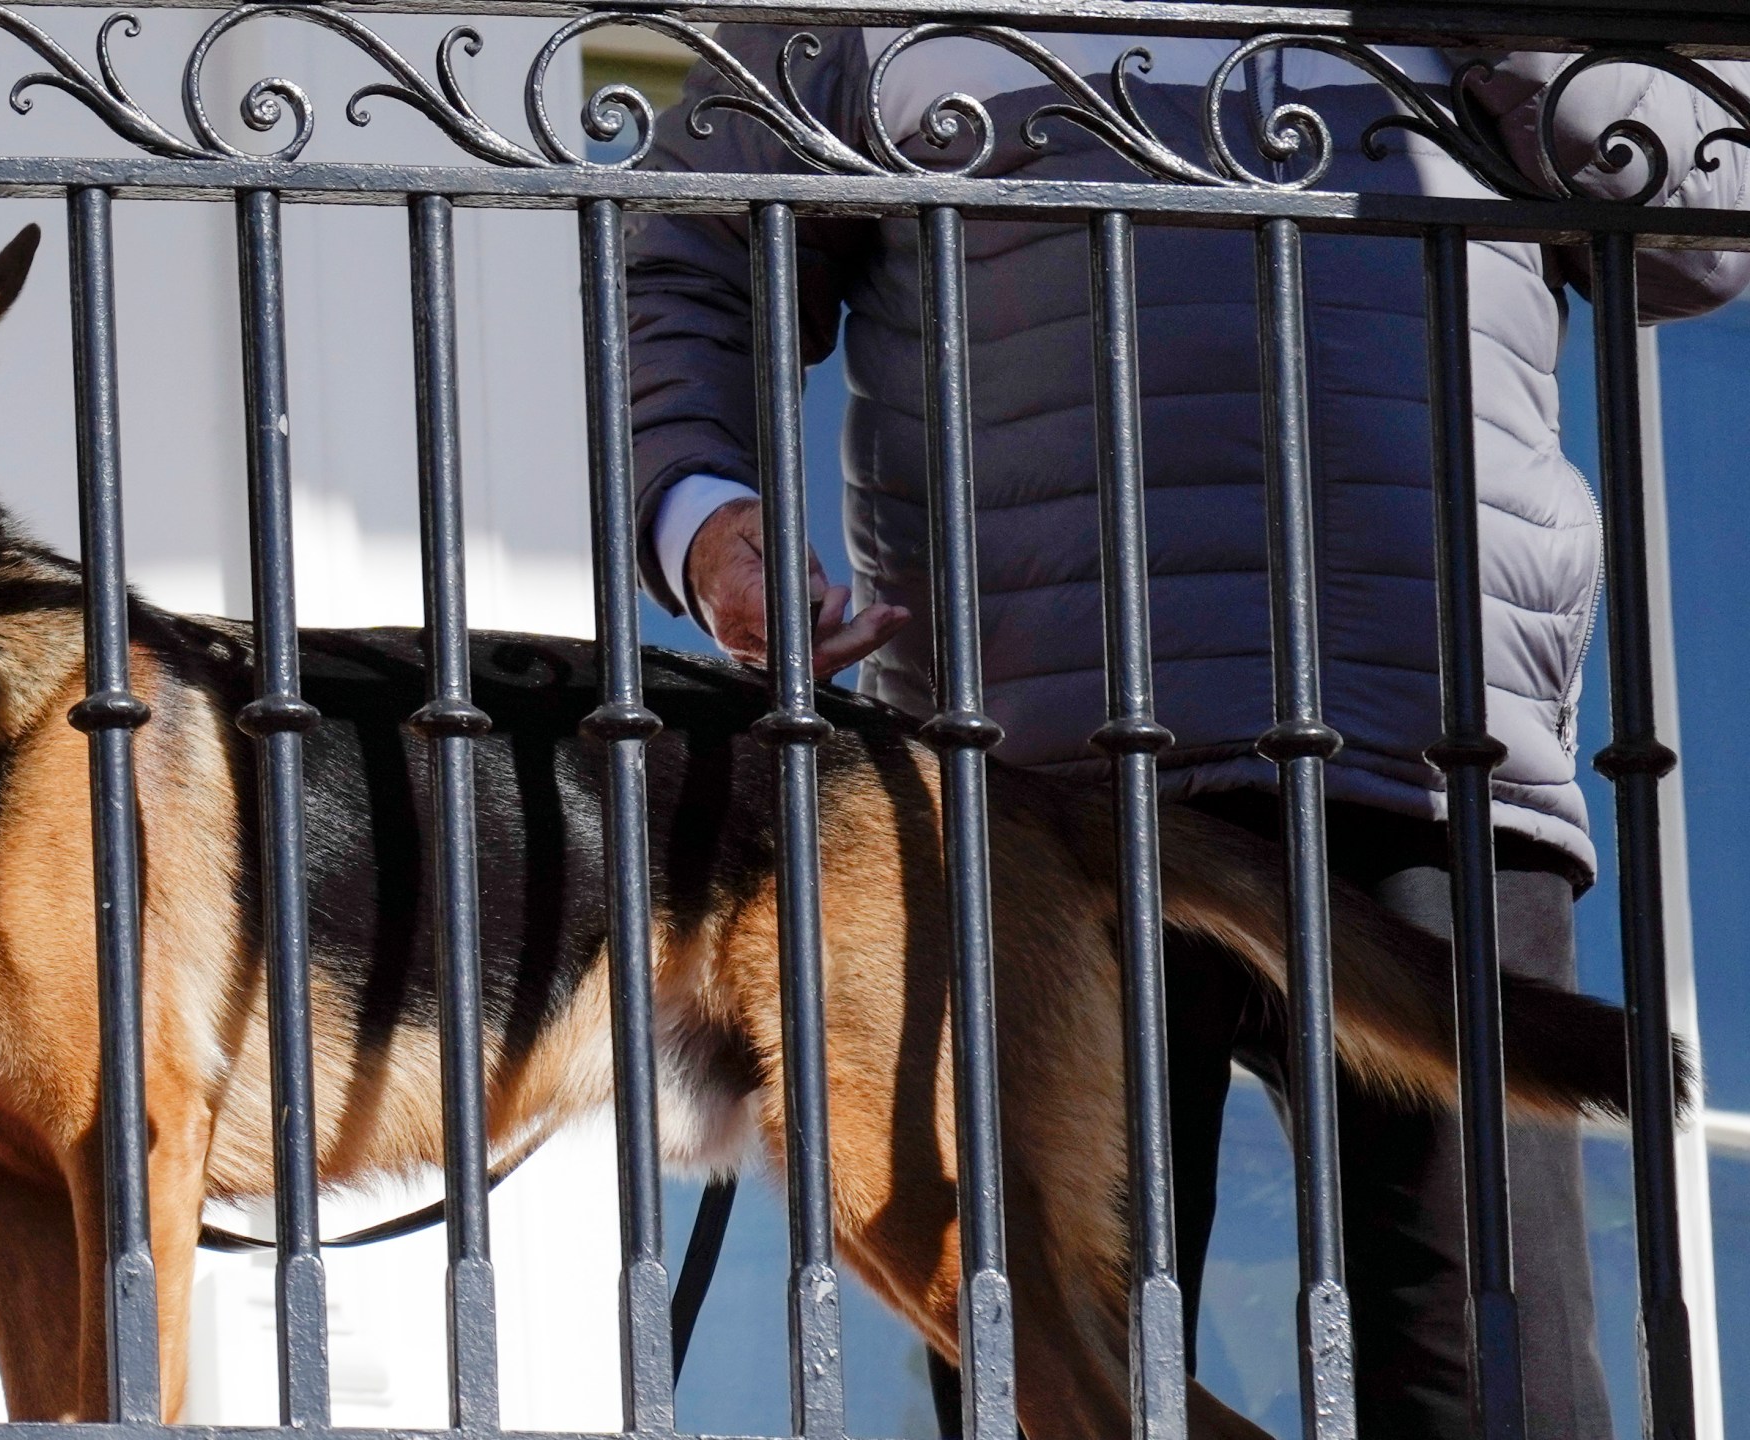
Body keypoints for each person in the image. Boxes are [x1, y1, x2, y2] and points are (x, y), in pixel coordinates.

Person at [626, 28, 1750, 1437]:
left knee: (1485, 1371)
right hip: (1032, 780)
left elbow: (1699, 236)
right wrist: (708, 521)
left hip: (1424, 749)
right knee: (1059, 1371)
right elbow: (695, 254)